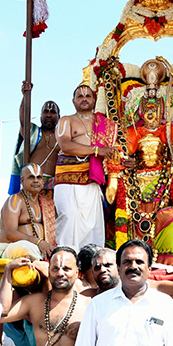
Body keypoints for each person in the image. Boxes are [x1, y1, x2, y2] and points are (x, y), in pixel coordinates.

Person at [54, 85, 117, 251]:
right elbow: (65, 145)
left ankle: (90, 263)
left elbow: (113, 151)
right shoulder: (66, 120)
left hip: (92, 179)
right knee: (68, 218)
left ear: (94, 100)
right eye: (80, 96)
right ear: (73, 101)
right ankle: (66, 258)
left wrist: (124, 161)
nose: (84, 98)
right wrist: (97, 150)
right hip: (68, 178)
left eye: (88, 96)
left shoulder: (106, 125)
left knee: (93, 226)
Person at [0, 165, 55, 259]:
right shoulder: (15, 200)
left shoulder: (47, 202)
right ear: (22, 181)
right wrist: (38, 242)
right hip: (11, 248)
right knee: (26, 247)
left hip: (39, 249)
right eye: (31, 177)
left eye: (39, 177)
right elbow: (10, 233)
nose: (36, 181)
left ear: (43, 181)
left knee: (67, 249)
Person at [10, 99, 61, 194]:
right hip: (33, 184)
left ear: (59, 116)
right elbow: (23, 119)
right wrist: (25, 95)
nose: (49, 115)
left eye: (53, 112)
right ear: (41, 115)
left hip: (55, 188)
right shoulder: (33, 132)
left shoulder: (63, 137)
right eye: (46, 112)